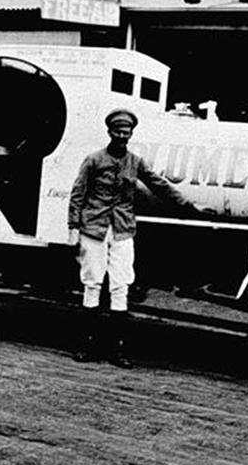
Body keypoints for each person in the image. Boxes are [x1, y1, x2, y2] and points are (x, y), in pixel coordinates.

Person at [68, 108, 203, 368]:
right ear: (109, 132)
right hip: (93, 229)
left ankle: (118, 350)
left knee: (120, 286)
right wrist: (74, 227)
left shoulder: (135, 162)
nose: (122, 135)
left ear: (131, 134)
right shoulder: (93, 160)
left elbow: (159, 185)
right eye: (117, 131)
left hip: (122, 230)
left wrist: (190, 207)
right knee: (92, 283)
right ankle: (87, 345)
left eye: (126, 132)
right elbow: (77, 194)